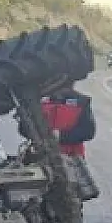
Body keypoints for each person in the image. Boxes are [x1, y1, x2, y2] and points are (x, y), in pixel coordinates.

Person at [39, 80, 99, 213]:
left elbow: (88, 131)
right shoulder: (41, 100)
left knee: (72, 205)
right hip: (43, 159)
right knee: (42, 203)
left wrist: (60, 136)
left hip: (72, 160)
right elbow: (24, 127)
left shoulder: (81, 101)